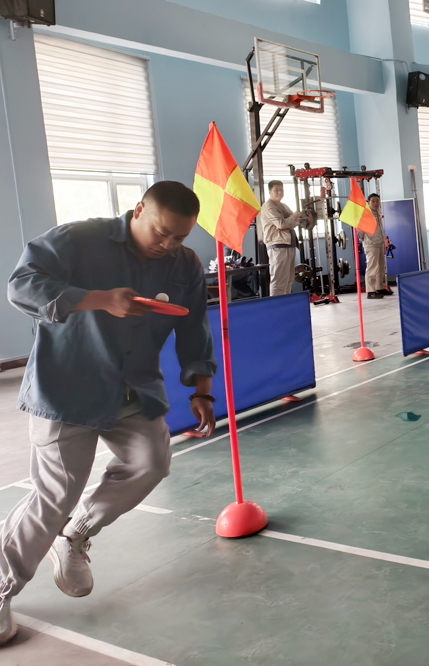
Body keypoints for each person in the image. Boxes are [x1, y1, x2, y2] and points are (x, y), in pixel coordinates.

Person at [0, 182, 217, 646]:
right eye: (161, 232)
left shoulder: (184, 264)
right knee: (55, 494)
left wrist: (202, 391)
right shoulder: (78, 239)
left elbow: (194, 326)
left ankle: (74, 535)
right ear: (138, 210)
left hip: (134, 388)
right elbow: (21, 285)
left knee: (151, 463)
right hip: (68, 386)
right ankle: (2, 586)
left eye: (180, 237)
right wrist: (97, 299)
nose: (168, 244)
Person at [260, 180, 303, 296]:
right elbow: (281, 224)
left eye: (281, 190)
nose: (279, 192)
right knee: (278, 281)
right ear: (269, 191)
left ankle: (285, 304)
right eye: (276, 190)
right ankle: (275, 306)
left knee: (289, 280)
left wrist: (287, 222)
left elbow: (296, 222)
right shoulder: (268, 206)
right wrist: (291, 219)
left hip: (289, 244)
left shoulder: (283, 206)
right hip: (277, 246)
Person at [358, 193, 391, 297]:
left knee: (380, 267)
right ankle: (370, 291)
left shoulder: (377, 213)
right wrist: (365, 240)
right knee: (372, 267)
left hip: (379, 243)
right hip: (371, 244)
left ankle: (379, 288)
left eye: (377, 201)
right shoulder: (366, 214)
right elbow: (360, 230)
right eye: (373, 201)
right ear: (368, 203)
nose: (375, 203)